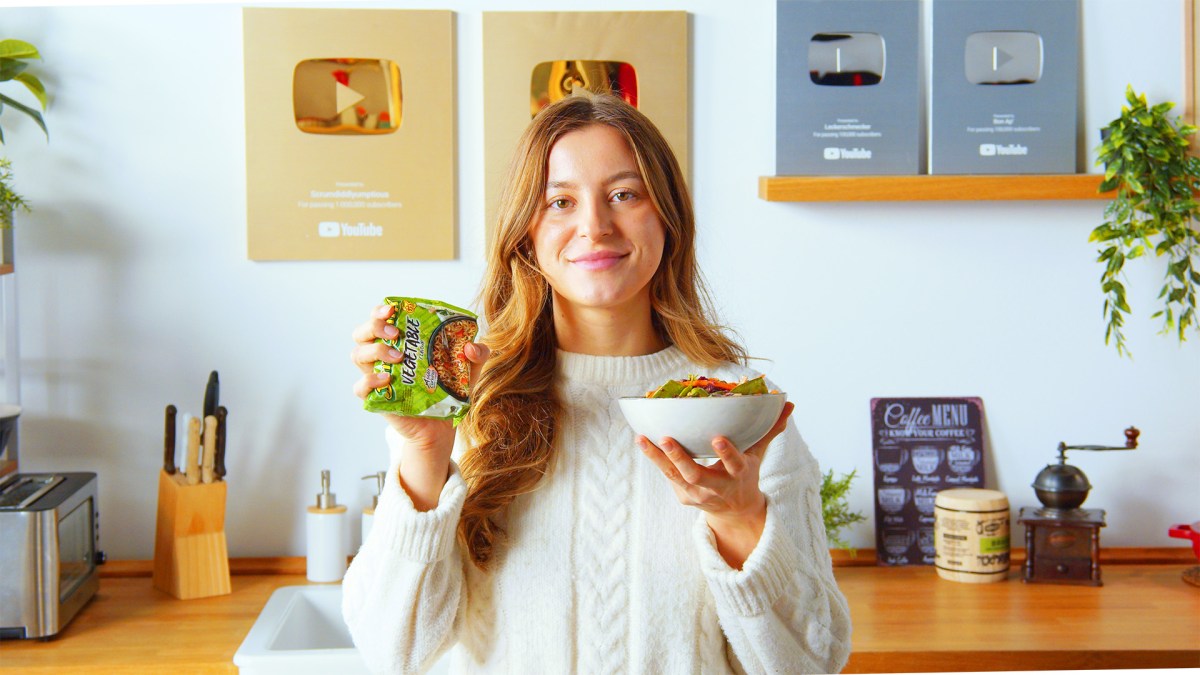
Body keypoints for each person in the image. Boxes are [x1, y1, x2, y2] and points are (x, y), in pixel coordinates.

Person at [344, 92, 852, 674]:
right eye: (560, 201)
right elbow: (391, 652)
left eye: (624, 195)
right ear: (526, 234)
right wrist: (424, 451)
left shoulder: (744, 412)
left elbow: (812, 663)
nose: (594, 226)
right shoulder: (466, 402)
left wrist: (740, 518)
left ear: (667, 217)